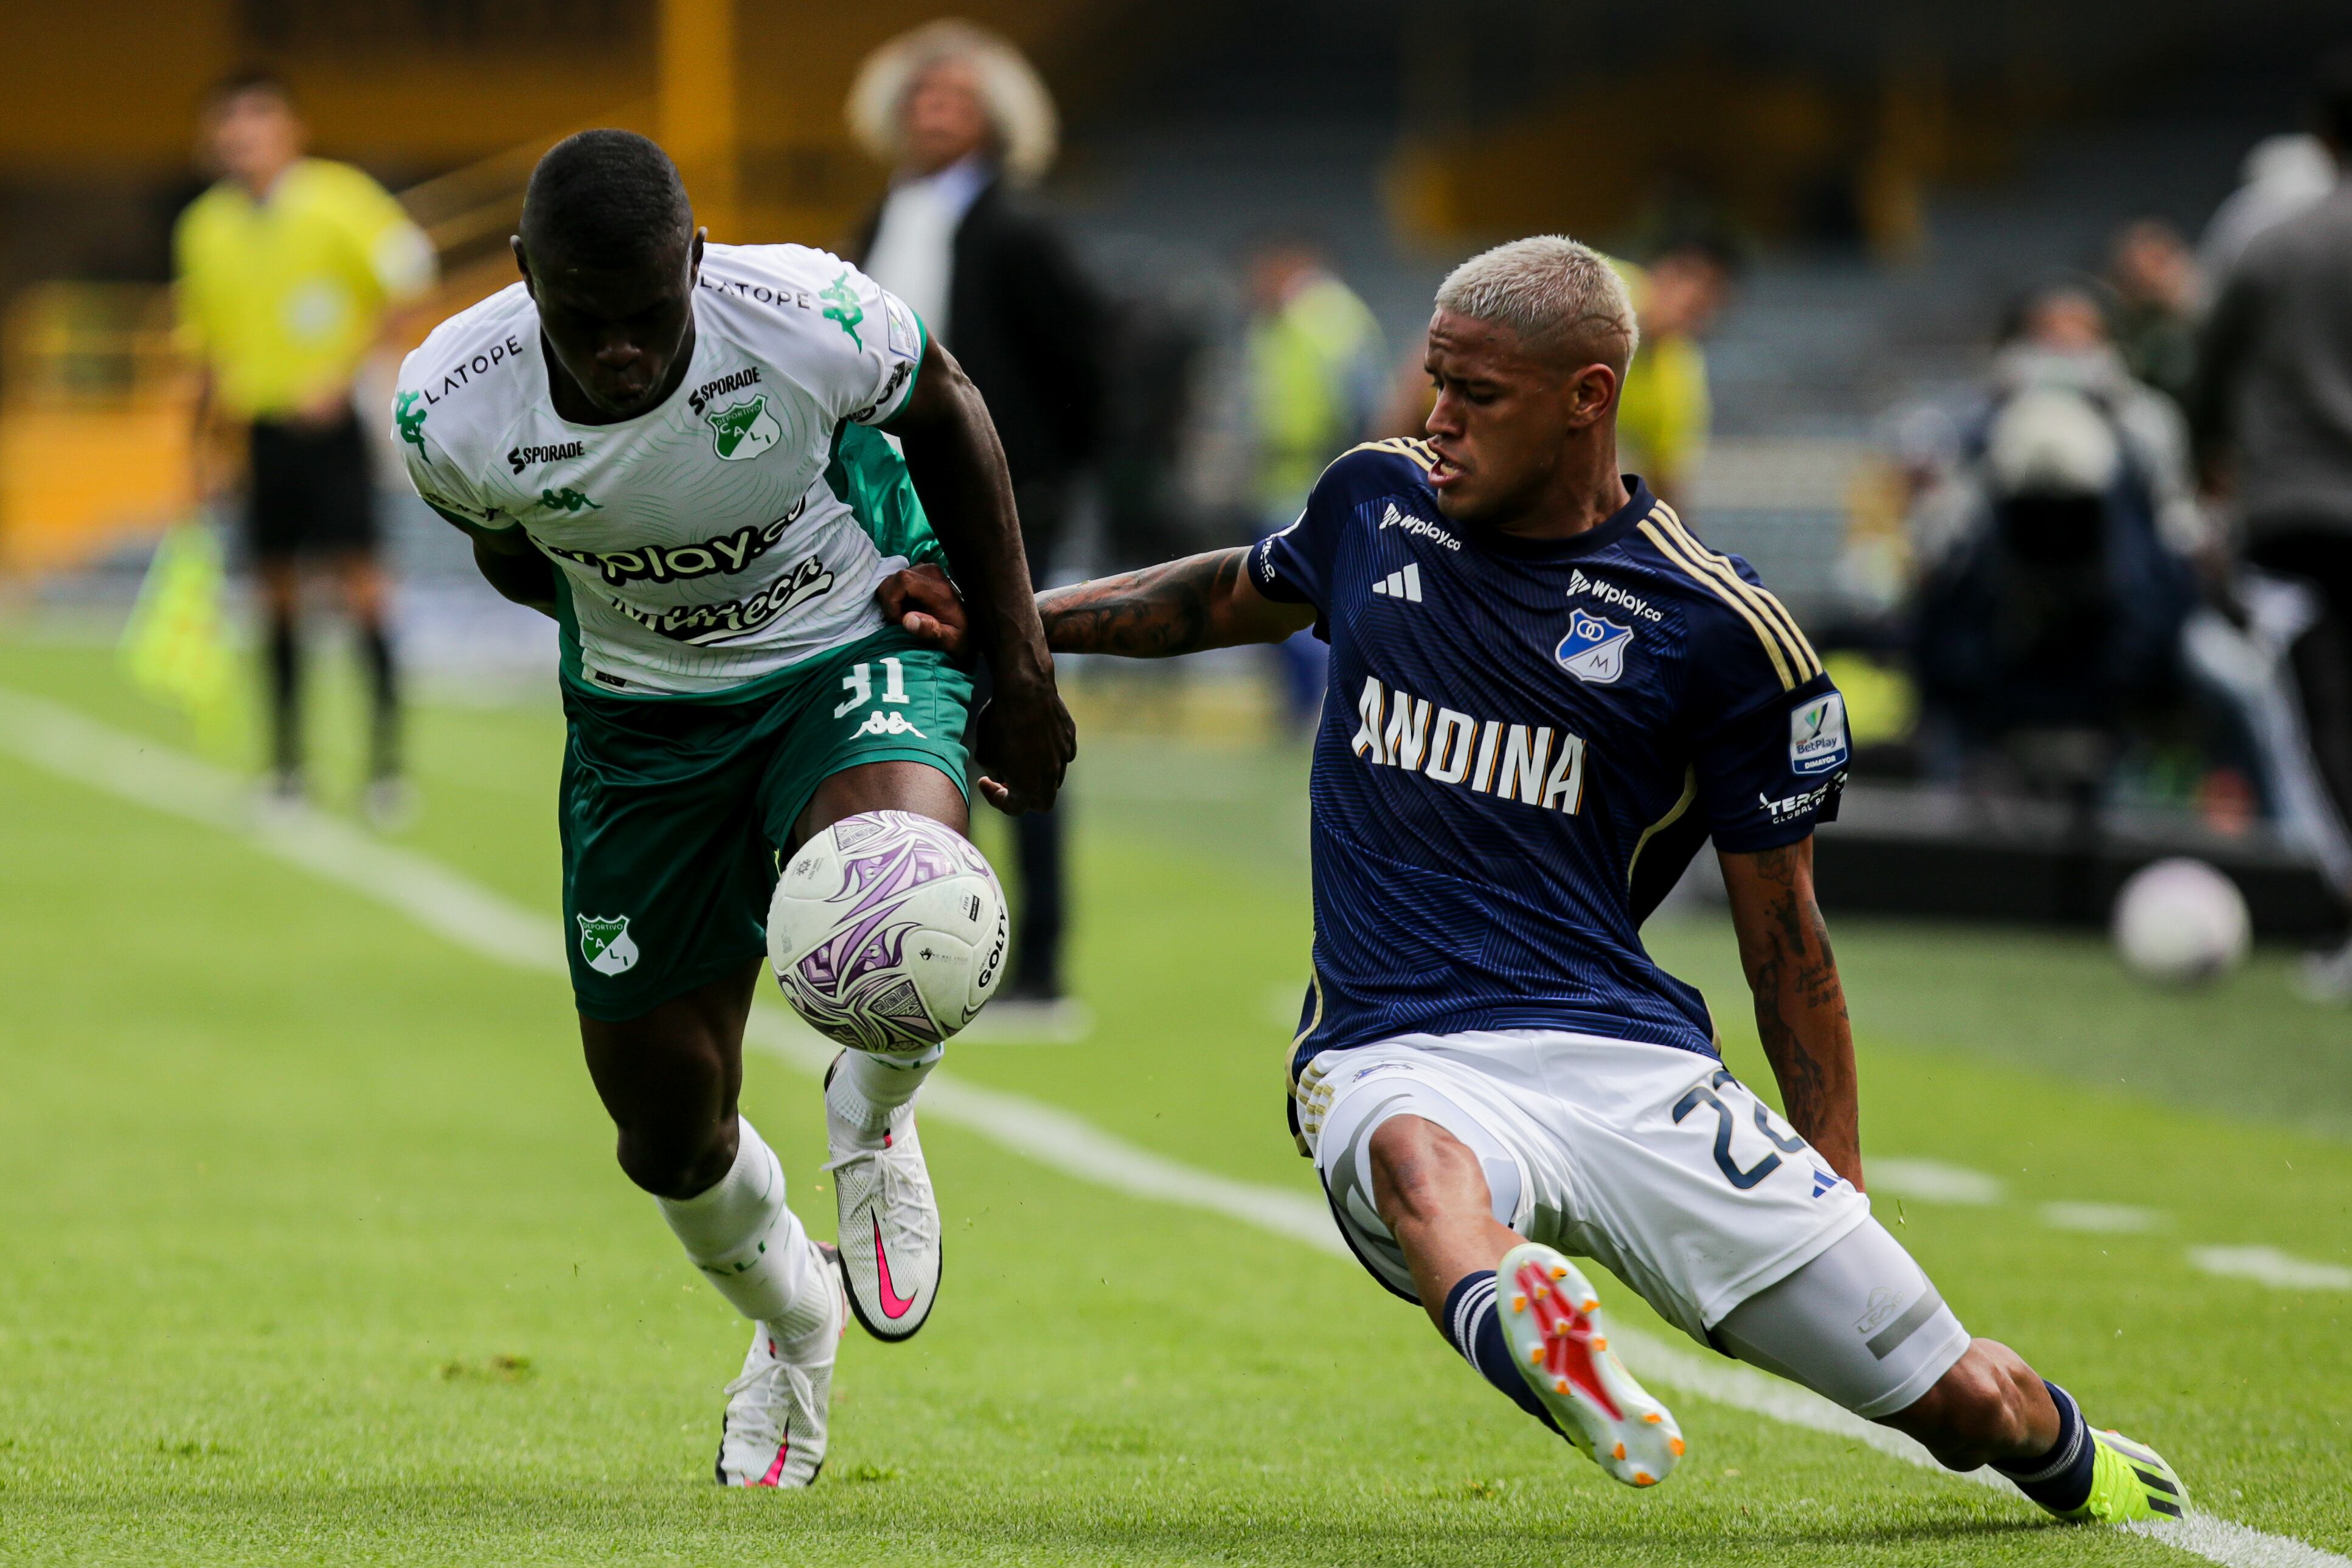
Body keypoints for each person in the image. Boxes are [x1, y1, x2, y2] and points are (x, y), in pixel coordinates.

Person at [890, 236, 2184, 1521]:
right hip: (1397, 1039)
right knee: (1413, 1157)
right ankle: (1526, 1321)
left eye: (1474, 394)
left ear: (1586, 400)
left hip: (1628, 1057)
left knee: (1965, 1404)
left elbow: (1784, 932)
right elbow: (1223, 593)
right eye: (1433, 381)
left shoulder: (1721, 632)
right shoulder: (1372, 502)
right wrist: (1013, 622)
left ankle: (2081, 1460)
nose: (1433, 420)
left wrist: (1829, 1179)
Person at [391, 130, 1072, 1485]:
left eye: (652, 315)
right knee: (663, 1124)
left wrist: (1019, 663)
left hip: (848, 638)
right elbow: (514, 559)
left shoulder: (806, 312)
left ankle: (872, 1110)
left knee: (908, 893)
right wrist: (662, 618)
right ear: (525, 276)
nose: (626, 351)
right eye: (586, 324)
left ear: (695, 263)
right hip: (646, 720)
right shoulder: (446, 409)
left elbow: (950, 406)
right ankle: (793, 1319)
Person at [847, 21, 1103, 1019]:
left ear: (995, 116)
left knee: (1017, 705)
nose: (934, 111)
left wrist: (1038, 486)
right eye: (920, 97)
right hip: (894, 508)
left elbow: (1083, 365)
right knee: (913, 713)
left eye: (954, 97)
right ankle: (933, 943)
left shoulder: (1020, 227)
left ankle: (1038, 962)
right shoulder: (883, 217)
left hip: (1003, 505)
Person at [175, 69, 437, 822]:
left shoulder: (342, 200)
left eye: (256, 124)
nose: (242, 141)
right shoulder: (204, 227)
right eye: (229, 128)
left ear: (292, 129)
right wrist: (200, 448)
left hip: (332, 431)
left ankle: (387, 769)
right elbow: (206, 349)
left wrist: (348, 373)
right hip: (259, 433)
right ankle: (288, 768)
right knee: (274, 596)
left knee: (362, 590)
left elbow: (410, 282)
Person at [2194, 48, 2352, 1001]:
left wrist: (2207, 470)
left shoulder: (2271, 239)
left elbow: (2207, 379)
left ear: (2321, 137)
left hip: (2298, 514)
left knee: (2322, 724)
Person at [1245, 237, 1386, 724]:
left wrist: (1347, 474)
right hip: (1280, 478)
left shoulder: (1327, 317)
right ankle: (1301, 709)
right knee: (1277, 597)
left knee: (1303, 599)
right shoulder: (1279, 322)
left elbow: (1360, 402)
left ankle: (1327, 709)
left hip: (1314, 478)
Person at [1614, 235, 1740, 513]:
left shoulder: (1681, 374)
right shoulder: (1604, 285)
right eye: (1694, 301)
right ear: (1664, 275)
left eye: (1708, 309)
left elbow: (1666, 482)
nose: (1701, 316)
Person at [2106, 219, 2202, 413]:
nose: (2148, 273)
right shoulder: (2107, 322)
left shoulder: (2200, 319)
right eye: (2137, 261)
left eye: (2160, 260)